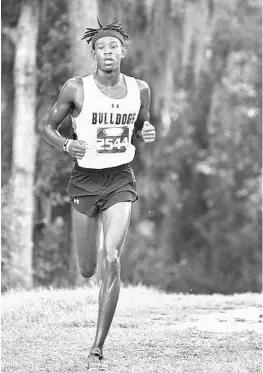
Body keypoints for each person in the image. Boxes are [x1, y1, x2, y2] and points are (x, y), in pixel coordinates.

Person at [43, 18, 156, 370]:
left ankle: (97, 346)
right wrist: (67, 144)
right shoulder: (76, 88)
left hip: (121, 180)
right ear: (93, 54)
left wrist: (146, 132)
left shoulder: (141, 89)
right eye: (101, 47)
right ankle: (90, 271)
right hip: (84, 181)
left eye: (113, 47)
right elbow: (46, 128)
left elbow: (140, 127)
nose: (108, 52)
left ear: (123, 51)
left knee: (111, 258)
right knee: (89, 269)